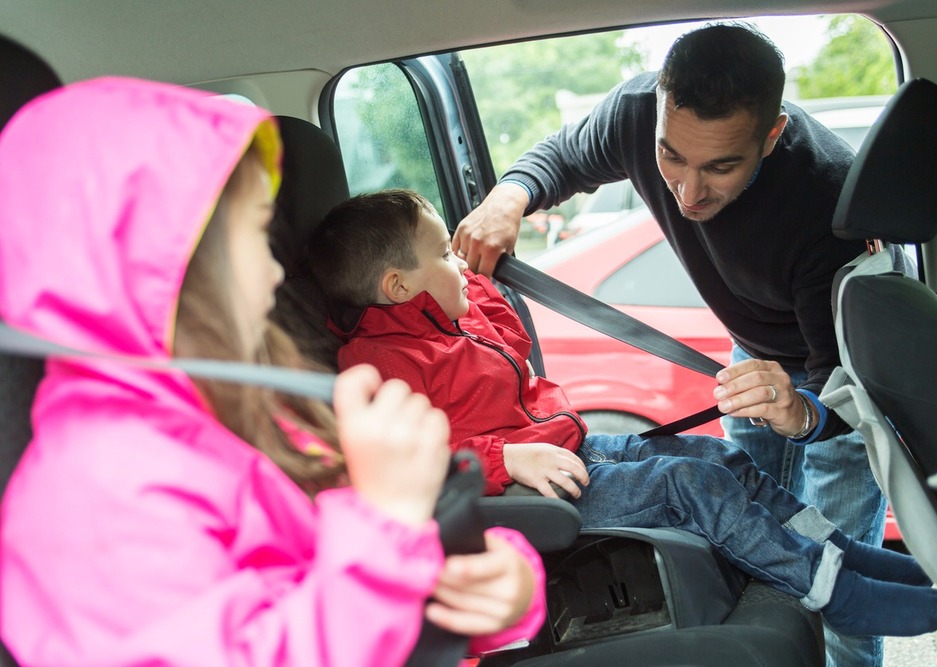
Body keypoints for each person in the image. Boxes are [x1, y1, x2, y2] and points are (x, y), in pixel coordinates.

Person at [0, 78, 546, 667]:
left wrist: (499, 582)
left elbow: (364, 571)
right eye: (259, 237)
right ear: (167, 263)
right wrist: (386, 527)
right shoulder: (94, 497)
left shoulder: (253, 412)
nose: (273, 272)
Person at [304, 188, 937, 642]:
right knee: (687, 485)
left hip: (573, 448)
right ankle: (836, 592)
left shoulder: (448, 315)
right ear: (397, 286)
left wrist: (470, 282)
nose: (458, 262)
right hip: (532, 490)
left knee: (722, 456)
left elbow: (512, 344)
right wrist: (506, 459)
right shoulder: (379, 362)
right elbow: (404, 460)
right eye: (443, 252)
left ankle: (840, 551)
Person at [450, 22, 896, 666]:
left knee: (835, 582)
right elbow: (560, 158)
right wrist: (508, 196)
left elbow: (840, 392)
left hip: (833, 381)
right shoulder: (636, 114)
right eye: (671, 158)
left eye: (720, 167)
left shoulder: (828, 200)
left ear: (770, 136)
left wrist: (805, 413)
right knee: (754, 553)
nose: (687, 191)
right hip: (749, 364)